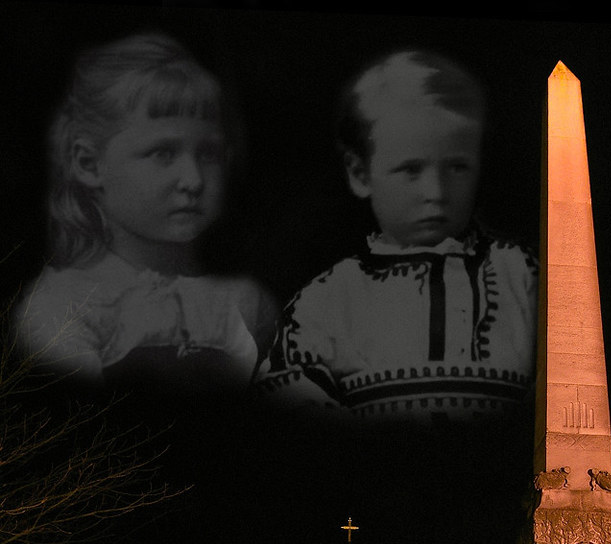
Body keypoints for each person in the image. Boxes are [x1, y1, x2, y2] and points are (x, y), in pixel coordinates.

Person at [253, 48, 537, 423]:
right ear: (359, 173)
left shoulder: (525, 280)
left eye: (457, 167)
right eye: (411, 170)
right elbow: (280, 386)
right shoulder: (332, 299)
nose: (436, 191)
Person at [14, 32, 278, 395]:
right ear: (88, 164)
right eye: (163, 153)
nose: (193, 180)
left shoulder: (245, 304)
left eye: (208, 154)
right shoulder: (63, 308)